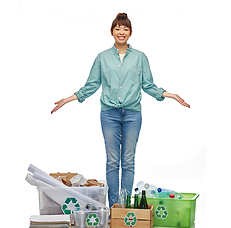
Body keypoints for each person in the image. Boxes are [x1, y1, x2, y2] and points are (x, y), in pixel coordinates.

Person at [51, 13, 190, 209]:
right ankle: (114, 207)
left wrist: (170, 95)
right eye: (118, 28)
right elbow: (92, 85)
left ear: (130, 32)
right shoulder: (102, 58)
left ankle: (124, 206)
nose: (121, 32)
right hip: (109, 114)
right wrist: (69, 98)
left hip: (133, 114)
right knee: (113, 161)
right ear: (111, 32)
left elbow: (148, 85)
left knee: (128, 161)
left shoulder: (140, 57)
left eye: (125, 28)